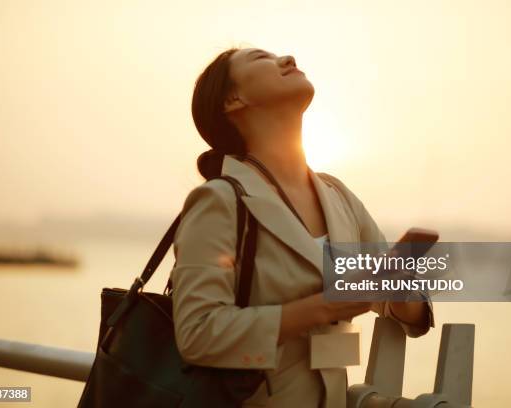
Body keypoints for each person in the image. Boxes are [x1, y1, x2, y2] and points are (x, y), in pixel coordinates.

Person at [170, 47, 435, 408]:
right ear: (234, 99)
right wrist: (327, 305)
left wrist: (397, 283)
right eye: (262, 58)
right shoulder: (220, 201)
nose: (288, 58)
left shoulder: (337, 196)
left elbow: (398, 305)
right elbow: (197, 333)